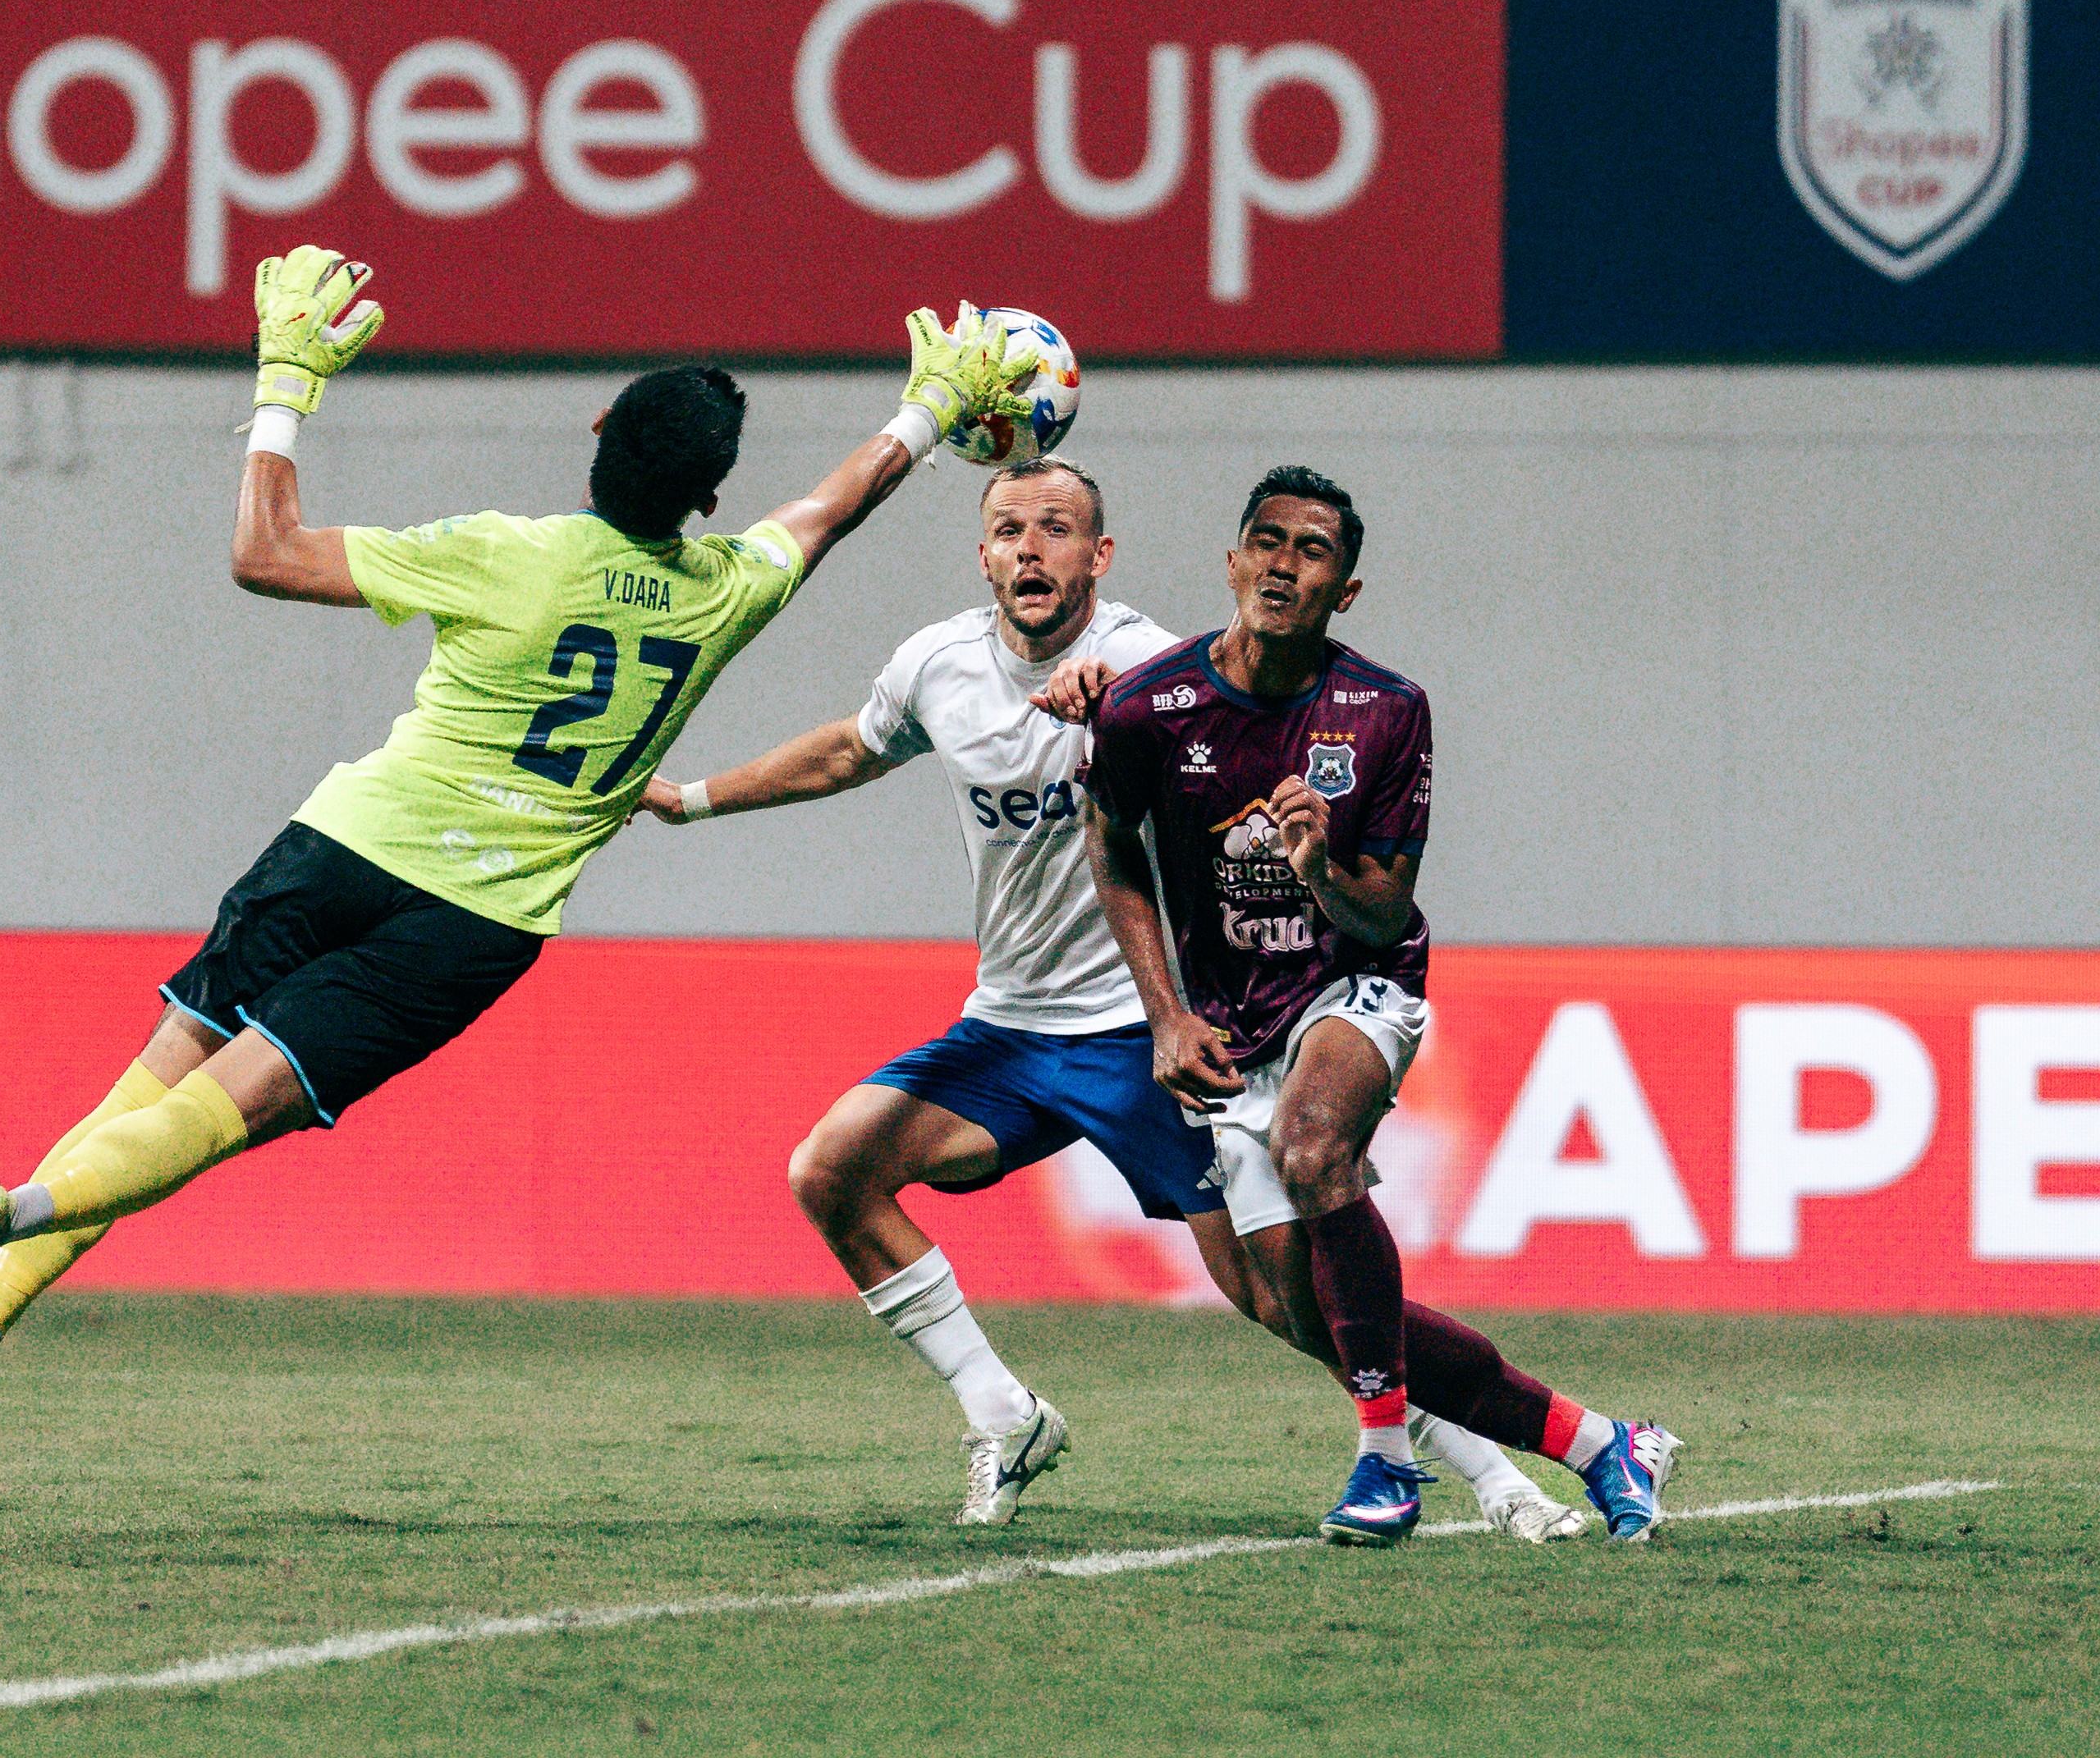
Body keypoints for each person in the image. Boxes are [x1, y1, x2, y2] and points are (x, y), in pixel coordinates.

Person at [0, 247, 1041, 1544]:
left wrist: (287, 382)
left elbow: (264, 553)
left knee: (134, 1102)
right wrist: (921, 413)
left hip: (340, 846)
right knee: (200, 1134)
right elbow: (824, 514)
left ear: (594, 438)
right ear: (706, 499)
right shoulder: (727, 594)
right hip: (468, 926)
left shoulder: (503, 555)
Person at [639, 456, 1585, 1539]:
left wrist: (1113, 705)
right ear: (983, 552)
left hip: (1151, 1035)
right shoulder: (936, 665)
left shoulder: (1148, 665)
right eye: (1007, 528)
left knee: (1292, 1303)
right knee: (831, 1172)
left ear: (1101, 555)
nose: (1028, 547)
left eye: (1055, 528)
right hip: (1009, 1025)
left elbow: (1222, 747)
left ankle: (1503, 1475)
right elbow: (851, 751)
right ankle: (1004, 1412)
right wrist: (694, 799)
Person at [1080, 464, 1683, 1544]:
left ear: (1343, 591)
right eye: (1266, 541)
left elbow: (1382, 909)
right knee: (1307, 1314)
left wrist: (1315, 864)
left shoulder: (1385, 712)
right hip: (1228, 1027)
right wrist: (1164, 1011)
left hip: (1361, 984)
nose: (1283, 564)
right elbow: (1111, 846)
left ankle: (1385, 1468)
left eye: (1312, 552)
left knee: (1315, 1150)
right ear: (1232, 562)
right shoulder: (1147, 710)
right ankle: (1600, 1444)